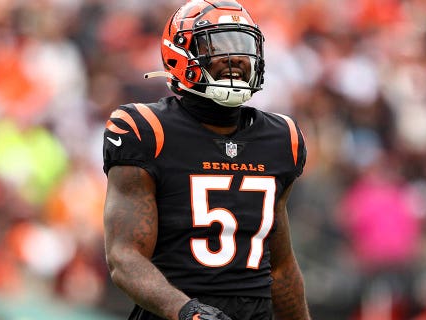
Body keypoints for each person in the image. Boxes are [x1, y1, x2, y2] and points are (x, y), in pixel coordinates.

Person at [101, 1, 311, 319]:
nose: (237, 58)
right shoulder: (147, 130)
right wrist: (187, 311)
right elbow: (123, 256)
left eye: (243, 46)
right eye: (218, 46)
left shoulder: (282, 137)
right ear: (180, 53)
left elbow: (280, 266)